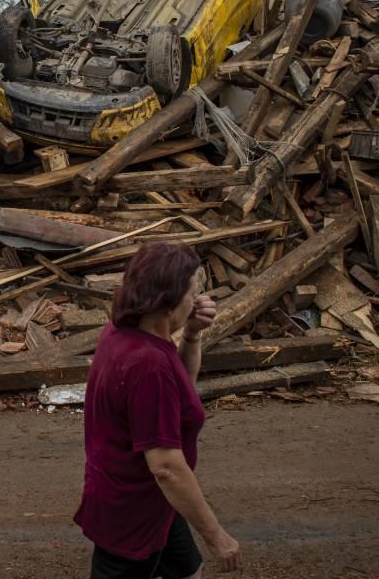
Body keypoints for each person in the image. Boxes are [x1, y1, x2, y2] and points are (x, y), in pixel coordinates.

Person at [74, 241, 241, 578]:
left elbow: (180, 392)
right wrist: (216, 535)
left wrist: (191, 335)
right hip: (133, 509)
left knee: (186, 572)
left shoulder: (125, 332)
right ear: (168, 302)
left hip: (158, 500)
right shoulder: (148, 365)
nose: (196, 301)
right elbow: (166, 466)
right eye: (192, 293)